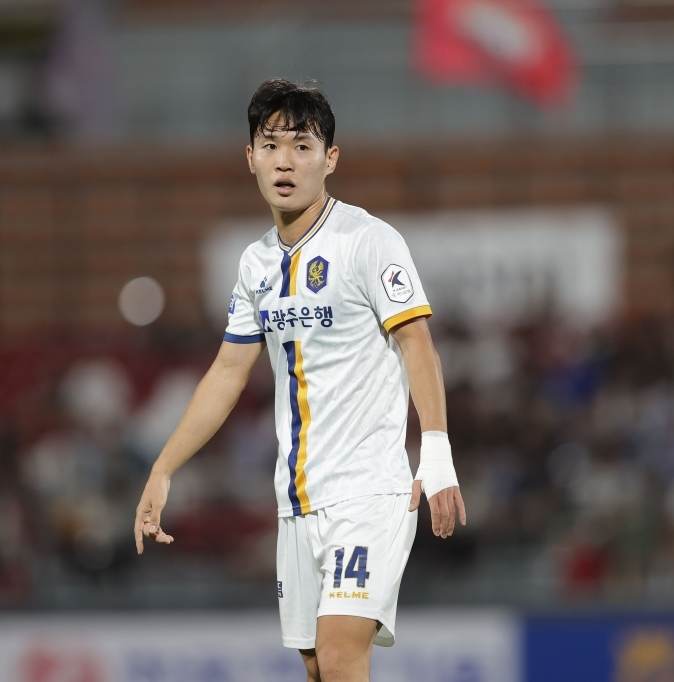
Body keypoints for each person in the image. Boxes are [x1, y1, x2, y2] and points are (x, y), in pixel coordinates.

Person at [133, 78, 465, 682]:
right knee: (316, 667)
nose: (285, 161)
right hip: (297, 502)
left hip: (368, 492)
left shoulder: (369, 241)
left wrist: (437, 453)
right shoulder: (255, 263)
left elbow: (418, 343)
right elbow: (228, 371)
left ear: (330, 159)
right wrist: (164, 468)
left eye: (303, 146)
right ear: (250, 158)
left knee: (339, 655)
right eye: (271, 145)